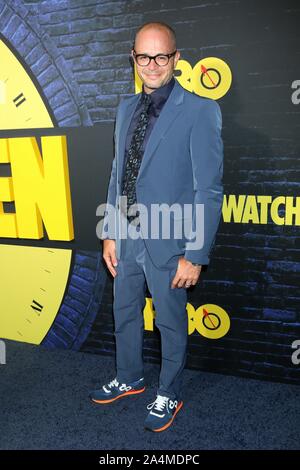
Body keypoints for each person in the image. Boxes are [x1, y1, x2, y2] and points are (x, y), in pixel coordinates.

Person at [90, 21, 223, 432]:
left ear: (175, 59)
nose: (152, 65)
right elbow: (118, 173)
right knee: (124, 310)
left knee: (169, 320)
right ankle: (129, 376)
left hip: (170, 239)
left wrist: (196, 255)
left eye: (160, 56)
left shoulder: (200, 110)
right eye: (143, 56)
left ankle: (170, 391)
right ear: (134, 59)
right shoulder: (125, 108)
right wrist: (111, 230)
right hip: (127, 232)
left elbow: (209, 190)